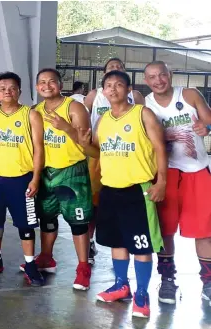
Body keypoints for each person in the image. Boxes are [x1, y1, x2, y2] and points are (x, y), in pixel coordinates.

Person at [84, 70, 166, 319]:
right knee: (117, 241)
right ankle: (122, 285)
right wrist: (81, 141)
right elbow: (96, 151)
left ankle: (142, 293)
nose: (113, 89)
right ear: (103, 91)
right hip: (110, 189)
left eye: (119, 85)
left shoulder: (142, 113)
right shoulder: (103, 120)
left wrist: (161, 181)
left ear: (129, 89)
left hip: (137, 190)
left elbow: (160, 147)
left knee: (141, 245)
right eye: (108, 85)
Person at [143, 61, 211, 306]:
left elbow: (210, 120)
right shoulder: (144, 105)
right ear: (146, 80)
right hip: (165, 173)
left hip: (197, 170)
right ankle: (168, 279)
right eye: (152, 76)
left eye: (162, 74)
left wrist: (207, 127)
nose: (158, 80)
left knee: (204, 230)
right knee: (164, 229)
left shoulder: (190, 94)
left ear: (170, 75)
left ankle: (208, 282)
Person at [0, 72, 45, 286]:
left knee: (26, 224)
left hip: (21, 179)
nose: (7, 91)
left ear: (20, 92)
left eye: (12, 87)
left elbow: (39, 148)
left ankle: (30, 263)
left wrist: (35, 178)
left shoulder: (30, 115)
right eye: (3, 88)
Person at [32, 68, 96, 290]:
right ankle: (46, 257)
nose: (47, 86)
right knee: (47, 218)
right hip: (46, 172)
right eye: (42, 82)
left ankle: (83, 267)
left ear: (60, 85)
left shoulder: (74, 107)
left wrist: (66, 127)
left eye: (51, 82)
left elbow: (88, 146)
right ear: (37, 86)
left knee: (78, 223)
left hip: (72, 171)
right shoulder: (35, 111)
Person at [83, 57, 146, 265]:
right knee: (95, 203)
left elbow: (144, 127)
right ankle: (90, 243)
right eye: (111, 68)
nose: (115, 69)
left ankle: (130, 245)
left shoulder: (136, 98)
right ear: (104, 75)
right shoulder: (94, 96)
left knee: (127, 203)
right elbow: (83, 118)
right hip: (100, 152)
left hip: (128, 156)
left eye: (119, 68)